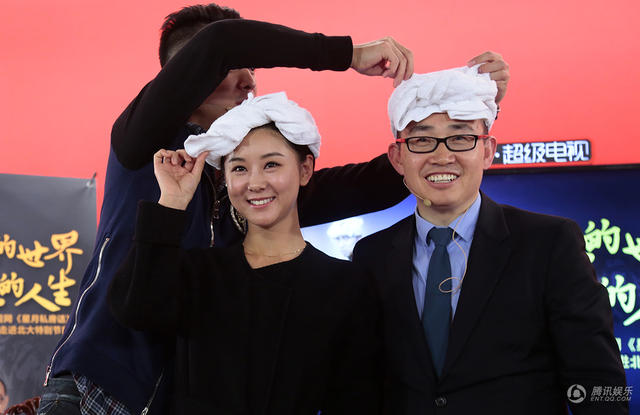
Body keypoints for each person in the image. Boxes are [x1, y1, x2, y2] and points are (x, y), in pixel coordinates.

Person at [37, 3, 510, 413]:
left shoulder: (243, 190)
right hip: (99, 391)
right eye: (235, 70)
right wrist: (347, 54)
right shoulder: (142, 144)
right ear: (187, 76)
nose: (251, 82)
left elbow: (369, 185)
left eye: (268, 166)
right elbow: (221, 41)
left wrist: (469, 111)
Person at [352, 66, 628, 414]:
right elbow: (359, 387)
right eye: (422, 140)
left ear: (487, 150)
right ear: (397, 158)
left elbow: (601, 383)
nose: (442, 156)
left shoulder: (549, 244)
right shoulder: (371, 256)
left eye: (460, 137)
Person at [109, 92, 380, 414]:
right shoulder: (199, 272)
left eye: (271, 165)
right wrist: (172, 202)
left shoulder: (345, 284)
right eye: (239, 168)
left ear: (305, 169)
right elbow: (135, 311)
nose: (255, 183)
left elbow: (356, 397)